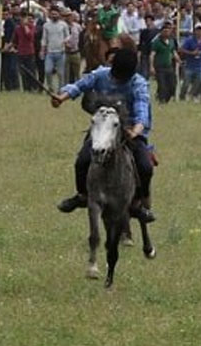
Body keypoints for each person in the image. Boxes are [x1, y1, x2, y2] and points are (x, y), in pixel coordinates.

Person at [50, 48, 156, 224]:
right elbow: (79, 85)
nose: (118, 80)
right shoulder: (100, 74)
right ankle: (82, 195)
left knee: (145, 167)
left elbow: (142, 110)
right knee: (82, 161)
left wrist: (135, 130)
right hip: (102, 131)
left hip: (129, 132)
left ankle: (139, 203)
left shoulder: (138, 83)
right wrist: (61, 98)